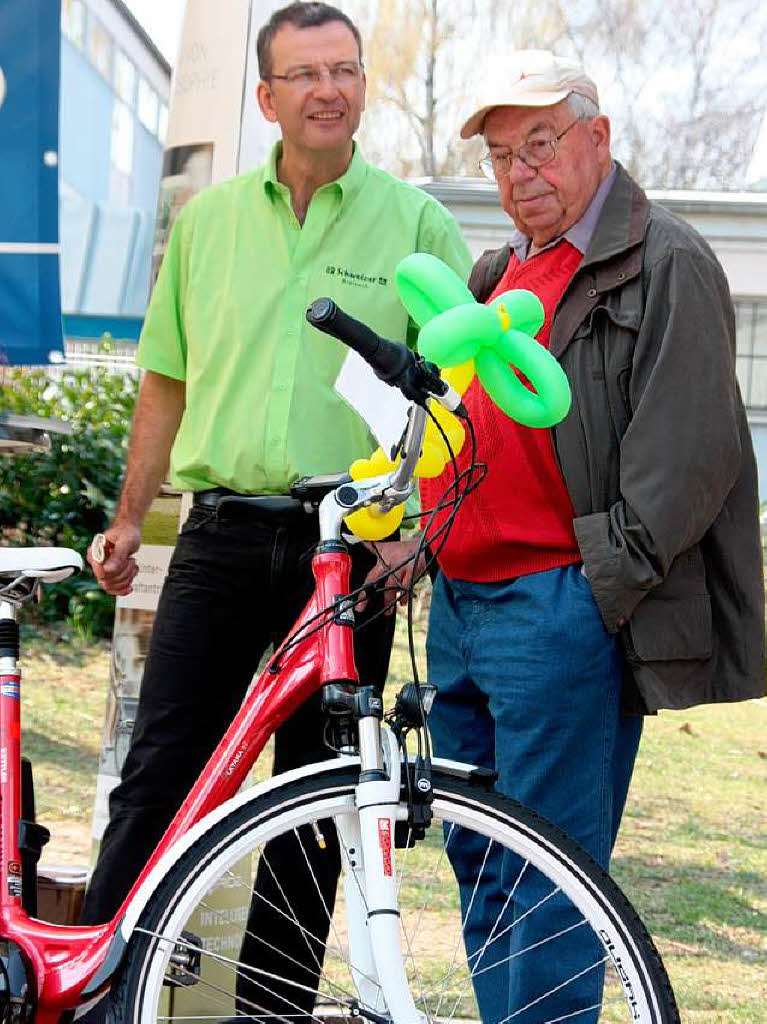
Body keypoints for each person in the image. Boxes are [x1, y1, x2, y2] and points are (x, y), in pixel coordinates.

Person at [83, 2, 472, 1018]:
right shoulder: (207, 223)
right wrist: (131, 517)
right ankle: (96, 988)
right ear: (266, 97)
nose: (327, 89)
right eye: (302, 74)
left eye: (342, 69)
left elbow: (454, 388)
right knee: (162, 774)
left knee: (316, 798)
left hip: (350, 551)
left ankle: (273, 1011)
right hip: (217, 534)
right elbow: (164, 380)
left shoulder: (416, 225)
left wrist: (417, 525)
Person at [368, 49, 765, 1023]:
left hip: (556, 605)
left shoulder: (661, 259)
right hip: (458, 604)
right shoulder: (493, 269)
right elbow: (459, 428)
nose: (519, 174)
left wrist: (596, 587)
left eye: (538, 144)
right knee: (476, 856)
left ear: (596, 138)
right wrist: (418, 536)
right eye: (501, 157)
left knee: (547, 873)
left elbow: (690, 457)